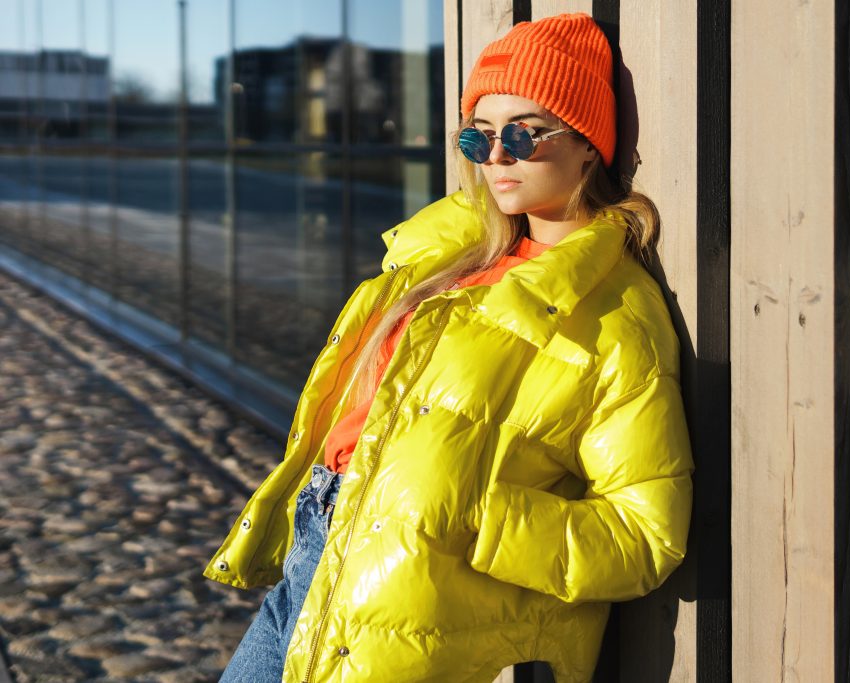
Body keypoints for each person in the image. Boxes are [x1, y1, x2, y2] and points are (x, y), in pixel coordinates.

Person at [208, 12, 693, 683]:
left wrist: (484, 522)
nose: (495, 156)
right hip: (319, 550)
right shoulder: (446, 252)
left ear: (588, 145)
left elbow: (644, 533)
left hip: (422, 616)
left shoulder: (615, 312)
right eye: (480, 135)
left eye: (523, 134)